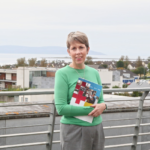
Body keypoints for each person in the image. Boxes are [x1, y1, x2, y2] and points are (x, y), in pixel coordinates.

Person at [54, 31, 106, 150]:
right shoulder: (62, 74)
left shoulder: (94, 72)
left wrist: (104, 106)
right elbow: (61, 108)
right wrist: (93, 109)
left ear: (87, 49)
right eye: (74, 48)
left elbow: (101, 100)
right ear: (69, 52)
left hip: (96, 128)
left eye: (81, 47)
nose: (78, 52)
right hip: (74, 129)